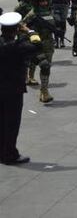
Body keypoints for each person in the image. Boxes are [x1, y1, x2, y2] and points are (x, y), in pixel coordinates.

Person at [0, 11, 42, 165]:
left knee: (1, 121)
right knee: (12, 123)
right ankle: (10, 154)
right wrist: (30, 31)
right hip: (13, 89)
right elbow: (37, 45)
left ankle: (2, 152)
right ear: (16, 29)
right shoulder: (18, 46)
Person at [23, 0, 57, 103]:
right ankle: (43, 90)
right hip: (37, 44)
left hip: (49, 43)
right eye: (41, 1)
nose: (44, 3)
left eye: (45, 1)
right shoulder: (32, 14)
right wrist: (31, 35)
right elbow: (22, 27)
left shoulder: (50, 12)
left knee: (47, 68)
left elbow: (54, 24)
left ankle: (44, 91)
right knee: (44, 65)